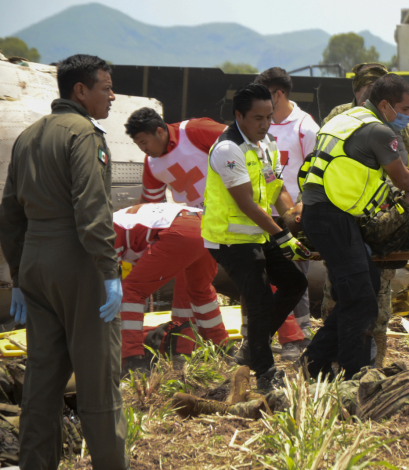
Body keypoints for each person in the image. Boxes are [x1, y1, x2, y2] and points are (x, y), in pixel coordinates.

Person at [0, 54, 128, 469]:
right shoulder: (85, 135)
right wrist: (108, 271)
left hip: (35, 263)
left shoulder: (29, 136)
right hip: (78, 263)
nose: (112, 96)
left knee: (42, 379)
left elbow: (9, 213)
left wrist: (19, 276)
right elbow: (92, 209)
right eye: (106, 88)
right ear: (80, 90)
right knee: (98, 379)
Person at [125, 106, 307, 361]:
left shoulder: (195, 131)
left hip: (237, 216)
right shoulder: (152, 164)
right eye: (138, 145)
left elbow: (242, 145)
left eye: (144, 142)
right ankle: (185, 350)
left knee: (260, 278)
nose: (143, 149)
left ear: (159, 131)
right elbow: (150, 203)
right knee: (190, 285)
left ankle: (291, 340)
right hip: (199, 227)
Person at [298, 74, 409, 378]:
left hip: (326, 215)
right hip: (332, 219)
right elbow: (401, 178)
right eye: (405, 109)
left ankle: (314, 363)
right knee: (361, 300)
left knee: (364, 285)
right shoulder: (378, 131)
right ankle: (353, 374)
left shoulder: (347, 118)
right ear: (385, 105)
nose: (408, 116)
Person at [201, 83, 310, 391]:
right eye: (258, 118)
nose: (265, 124)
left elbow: (275, 188)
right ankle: (265, 373)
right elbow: (245, 203)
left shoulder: (267, 143)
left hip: (258, 233)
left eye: (269, 117)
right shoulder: (228, 149)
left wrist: (293, 217)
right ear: (239, 116)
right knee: (259, 301)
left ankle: (253, 346)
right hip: (229, 239)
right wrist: (284, 237)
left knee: (295, 283)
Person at [114, 202, 229, 376]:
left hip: (179, 230)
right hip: (208, 226)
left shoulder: (103, 233)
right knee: (201, 290)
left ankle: (133, 361)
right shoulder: (122, 222)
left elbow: (108, 282)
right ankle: (222, 349)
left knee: (131, 292)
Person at [254, 67, 319, 348]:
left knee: (295, 278)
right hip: (260, 214)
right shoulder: (260, 125)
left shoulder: (306, 128)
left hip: (294, 216)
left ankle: (300, 339)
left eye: (264, 95)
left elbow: (317, 173)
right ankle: (262, 338)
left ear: (278, 94)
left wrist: (300, 211)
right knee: (261, 278)